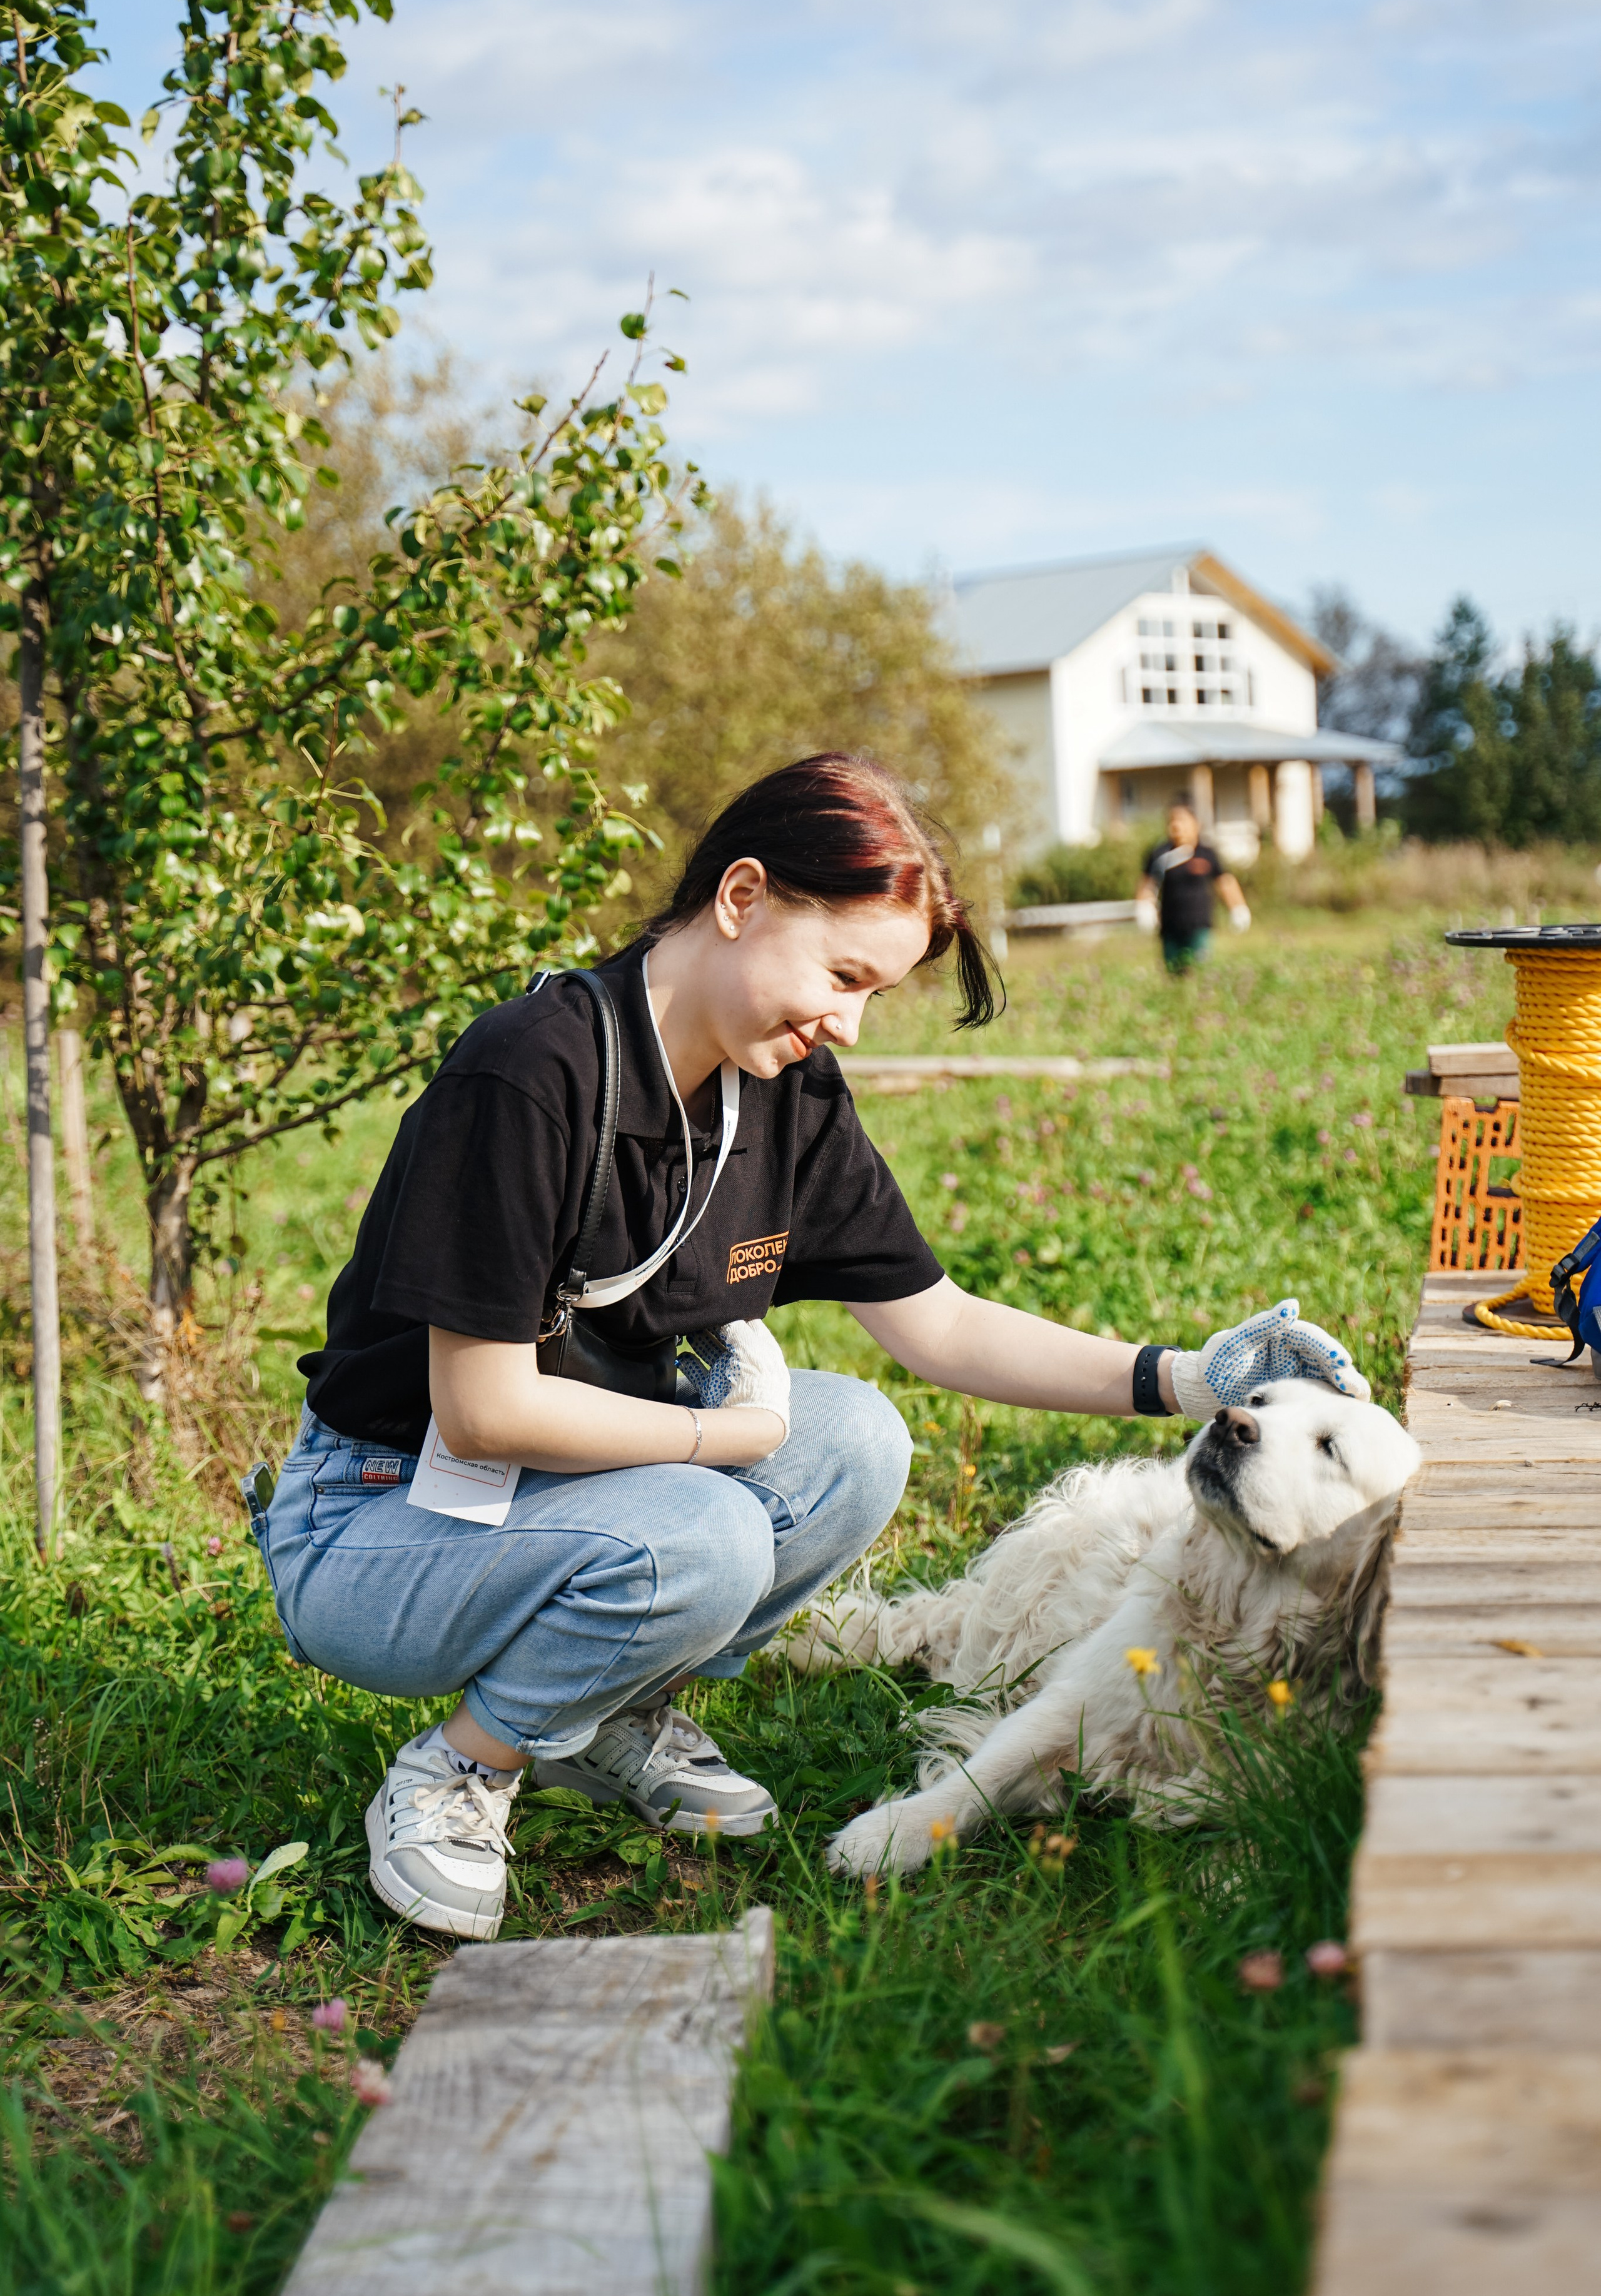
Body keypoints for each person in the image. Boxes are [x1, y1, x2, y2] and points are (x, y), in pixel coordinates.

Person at [250, 755, 1367, 1943]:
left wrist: (1191, 1377)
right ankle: (459, 1773)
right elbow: (479, 1413)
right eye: (842, 974)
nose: (848, 1020)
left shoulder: (781, 1088)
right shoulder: (532, 1072)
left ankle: (618, 1707)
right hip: (385, 1517)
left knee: (856, 1440)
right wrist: (723, 1436)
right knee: (716, 1524)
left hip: (573, 1494)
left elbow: (940, 1324)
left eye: (872, 993)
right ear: (742, 899)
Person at [1134, 797, 1250, 973]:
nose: (1176, 826)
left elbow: (1225, 882)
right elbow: (1148, 883)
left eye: (1182, 820)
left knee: (1199, 971)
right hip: (1170, 927)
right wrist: (1143, 906)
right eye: (1172, 821)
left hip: (1199, 926)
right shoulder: (1160, 854)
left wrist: (1238, 907)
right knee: (1174, 972)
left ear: (1196, 824)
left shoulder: (1207, 853)